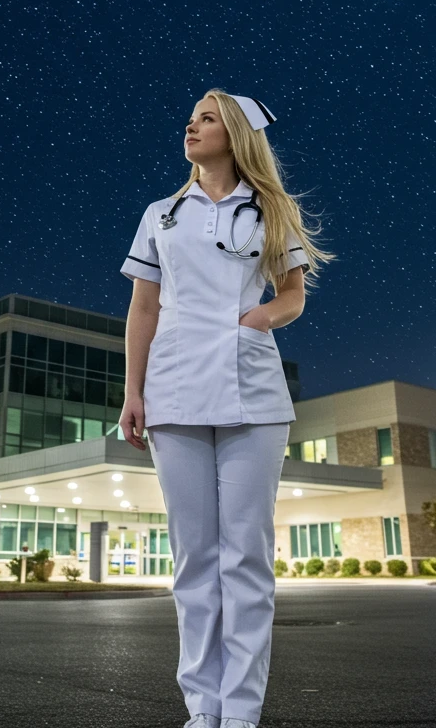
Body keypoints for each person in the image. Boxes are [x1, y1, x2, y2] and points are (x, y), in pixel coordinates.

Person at [119, 88, 335, 728]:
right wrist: (133, 391)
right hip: (175, 389)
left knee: (244, 557)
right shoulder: (162, 213)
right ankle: (201, 711)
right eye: (190, 118)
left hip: (254, 394)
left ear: (236, 133)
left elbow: (293, 293)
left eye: (207, 118)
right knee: (194, 560)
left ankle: (240, 715)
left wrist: (260, 317)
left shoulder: (272, 209)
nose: (191, 126)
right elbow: (143, 309)